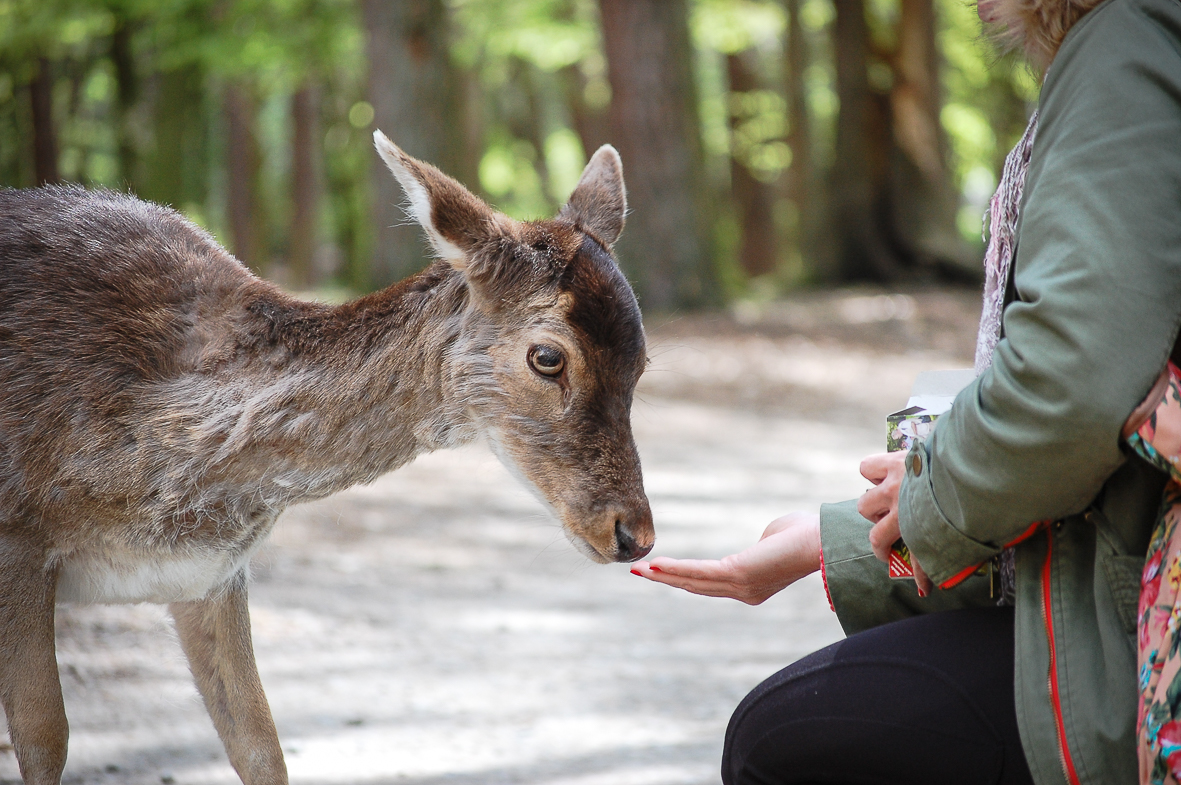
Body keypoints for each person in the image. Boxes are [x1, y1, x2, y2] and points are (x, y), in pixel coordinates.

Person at [631, 0, 1181, 782]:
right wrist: (842, 543)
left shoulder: (1125, 41)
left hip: (1141, 650)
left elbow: (1067, 394)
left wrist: (922, 499)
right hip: (1117, 591)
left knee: (791, 739)